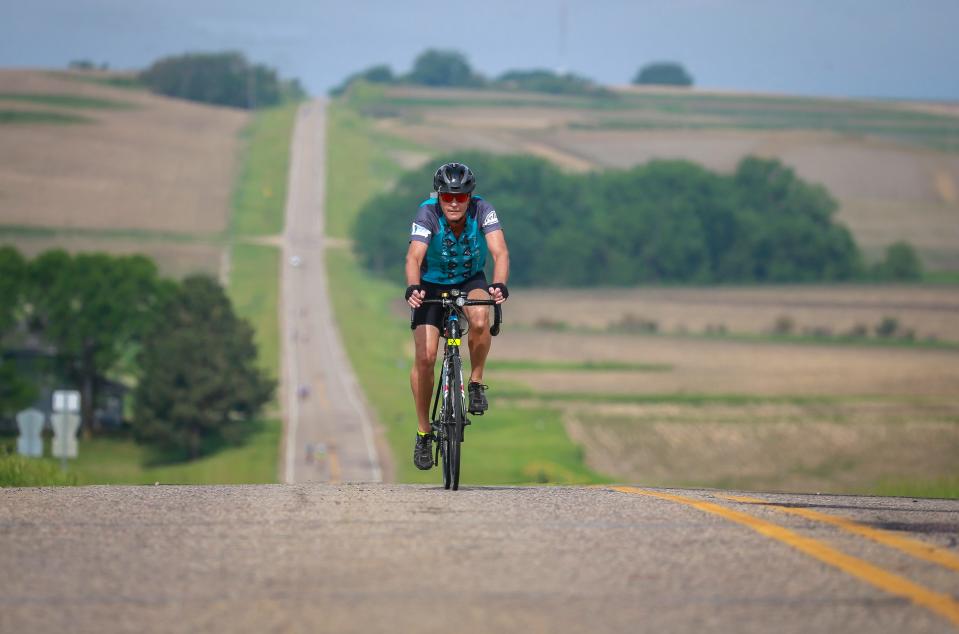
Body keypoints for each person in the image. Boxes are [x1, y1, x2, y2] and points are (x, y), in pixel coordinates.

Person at [405, 162, 510, 470]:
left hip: (469, 279)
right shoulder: (427, 214)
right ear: (438, 196)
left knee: (479, 318)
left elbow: (500, 252)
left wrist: (499, 283)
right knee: (425, 357)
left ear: (470, 197)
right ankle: (424, 432)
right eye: (447, 197)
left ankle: (476, 383)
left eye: (461, 197)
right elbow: (413, 256)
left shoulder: (483, 211)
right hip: (430, 284)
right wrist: (413, 286)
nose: (453, 203)